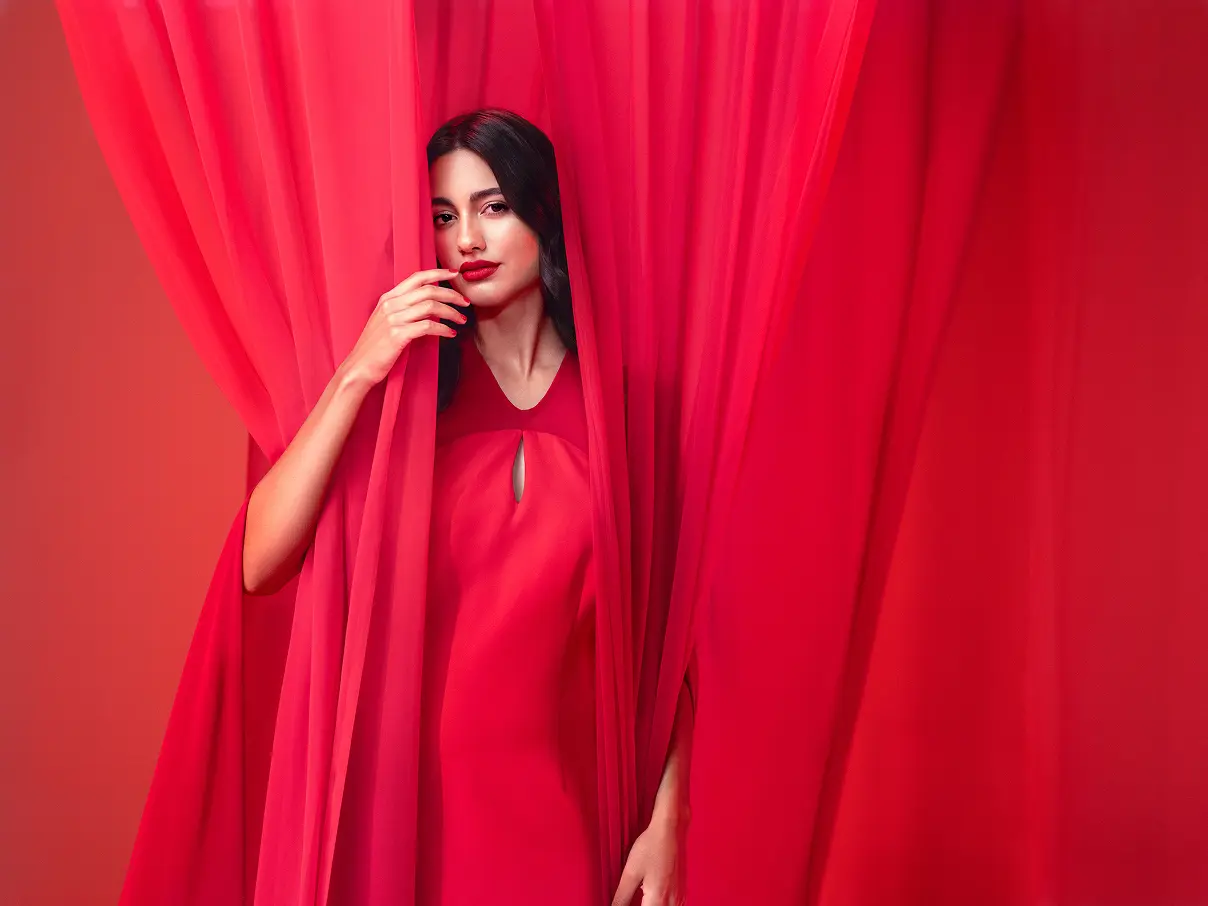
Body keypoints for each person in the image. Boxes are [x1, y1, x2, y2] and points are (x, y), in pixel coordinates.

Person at [239, 108, 693, 906]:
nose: (467, 243)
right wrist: (359, 370)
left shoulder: (627, 413)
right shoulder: (408, 404)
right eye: (443, 218)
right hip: (401, 817)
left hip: (569, 813)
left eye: (493, 207)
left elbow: (671, 644)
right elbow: (261, 562)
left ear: (544, 215)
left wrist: (668, 823)